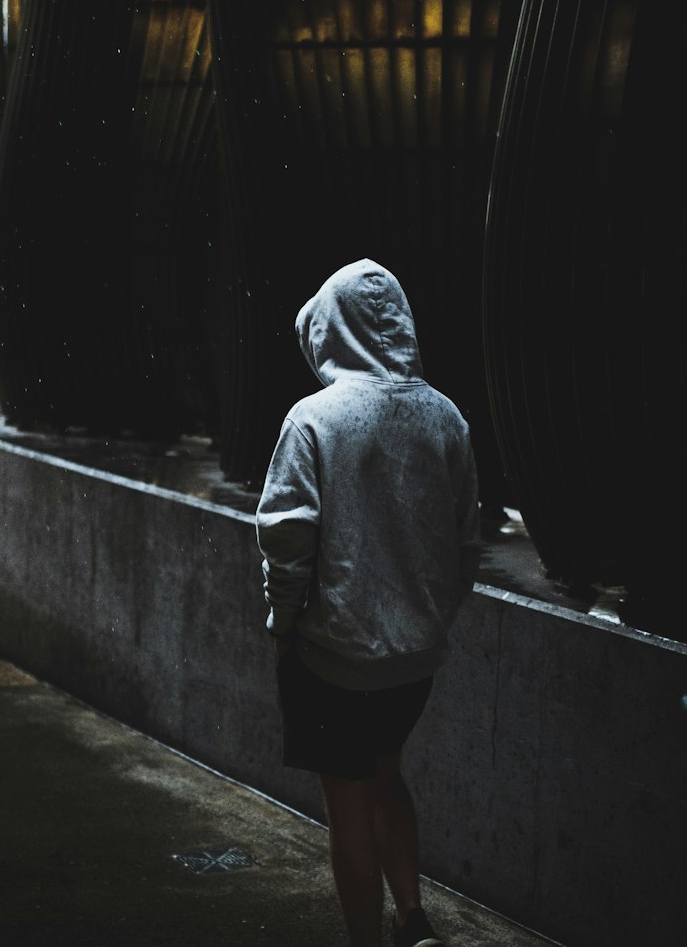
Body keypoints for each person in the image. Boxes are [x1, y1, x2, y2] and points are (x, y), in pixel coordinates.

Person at [256, 258, 481, 947]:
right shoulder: (445, 417)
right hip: (413, 663)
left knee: (347, 807)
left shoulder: (313, 420)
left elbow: (286, 539)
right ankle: (413, 922)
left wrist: (284, 625)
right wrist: (432, 618)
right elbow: (466, 541)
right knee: (388, 777)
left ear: (331, 331)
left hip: (334, 658)